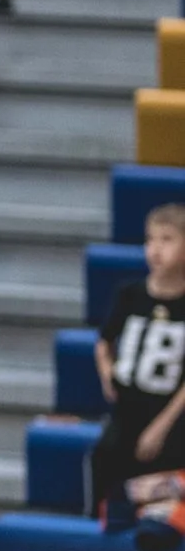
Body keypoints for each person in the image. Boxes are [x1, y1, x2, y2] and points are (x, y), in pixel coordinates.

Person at [93, 205, 185, 532]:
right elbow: (103, 342)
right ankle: (100, 524)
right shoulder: (129, 294)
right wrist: (107, 374)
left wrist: (161, 427)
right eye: (150, 240)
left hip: (168, 414)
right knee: (104, 455)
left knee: (162, 477)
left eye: (167, 240)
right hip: (128, 407)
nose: (156, 249)